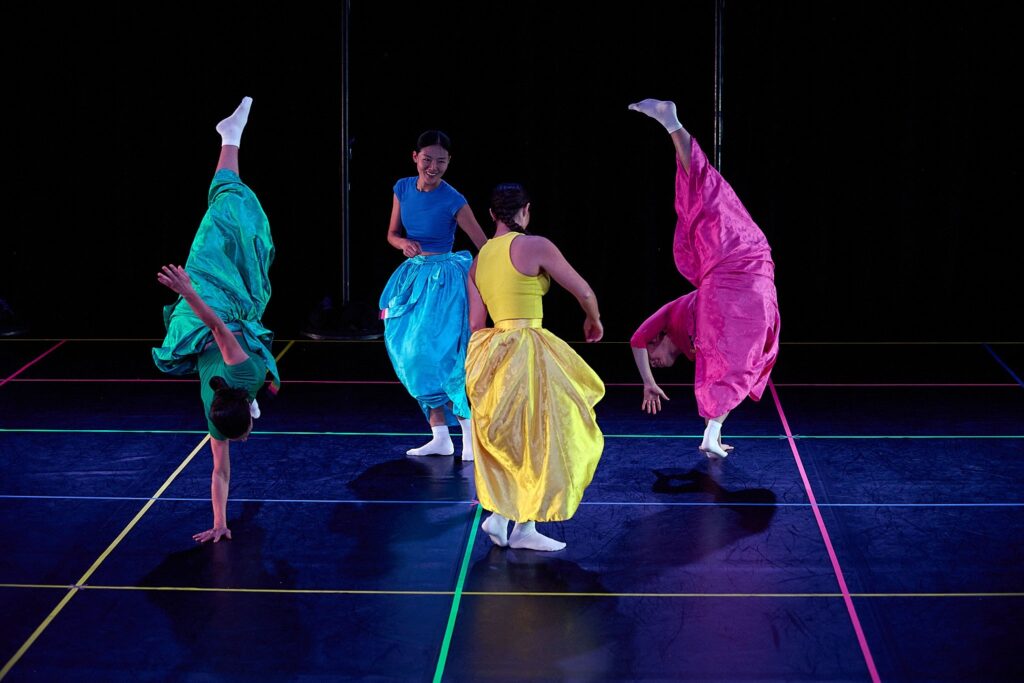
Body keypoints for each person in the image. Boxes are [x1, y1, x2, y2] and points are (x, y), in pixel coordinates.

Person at [153, 96, 280, 543]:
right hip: (221, 317)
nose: (241, 441)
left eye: (242, 432)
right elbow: (220, 471)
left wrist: (188, 289)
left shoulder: (237, 376)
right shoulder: (231, 391)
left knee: (227, 212)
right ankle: (230, 138)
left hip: (211, 298)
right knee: (235, 218)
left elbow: (217, 326)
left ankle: (230, 138)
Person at [628, 98, 780, 459]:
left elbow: (636, 340)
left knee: (703, 196)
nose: (658, 361)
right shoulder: (700, 353)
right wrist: (714, 423)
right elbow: (725, 367)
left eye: (655, 355)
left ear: (660, 337)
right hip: (744, 278)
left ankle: (671, 123)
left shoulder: (671, 315)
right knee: (743, 363)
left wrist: (648, 383)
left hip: (735, 258)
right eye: (657, 367)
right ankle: (712, 432)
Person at [466, 183, 605, 552]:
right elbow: (584, 290)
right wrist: (593, 319)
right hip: (527, 349)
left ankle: (507, 518)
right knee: (545, 435)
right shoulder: (534, 245)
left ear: (492, 215)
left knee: (516, 439)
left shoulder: (479, 260)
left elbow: (477, 324)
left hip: (493, 353)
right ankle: (517, 523)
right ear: (524, 211)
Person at [379, 130, 488, 460]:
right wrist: (404, 245)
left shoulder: (454, 199)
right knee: (413, 355)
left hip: (445, 283)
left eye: (441, 161)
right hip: (413, 279)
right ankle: (440, 434)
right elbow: (392, 234)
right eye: (427, 159)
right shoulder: (402, 188)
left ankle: (468, 432)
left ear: (449, 162)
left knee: (445, 357)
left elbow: (484, 245)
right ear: (415, 157)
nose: (433, 167)